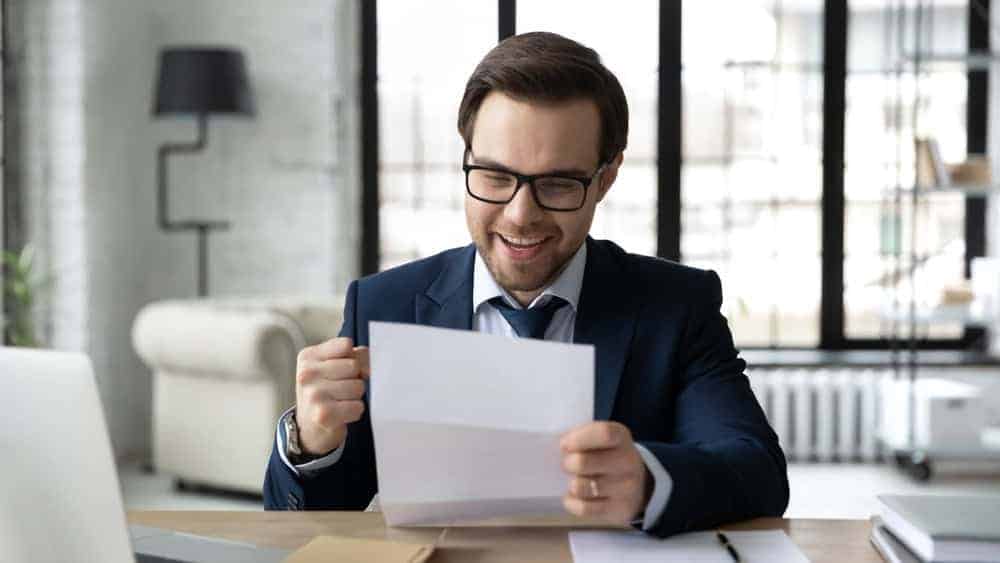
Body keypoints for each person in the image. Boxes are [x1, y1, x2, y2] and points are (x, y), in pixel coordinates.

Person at [263, 31, 788, 537]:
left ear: (605, 178)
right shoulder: (383, 304)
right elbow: (315, 519)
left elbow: (757, 471)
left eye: (558, 183)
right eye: (494, 177)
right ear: (465, 159)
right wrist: (311, 442)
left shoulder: (677, 306)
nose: (519, 216)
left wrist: (648, 482)